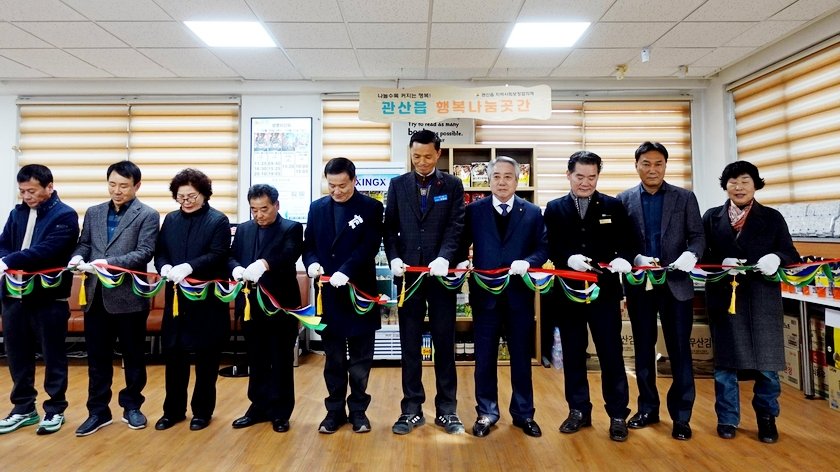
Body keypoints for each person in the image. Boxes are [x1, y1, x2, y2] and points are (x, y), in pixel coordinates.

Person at [701, 161, 798, 443]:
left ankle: (767, 418)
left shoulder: (772, 217)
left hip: (762, 297)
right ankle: (727, 418)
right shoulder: (711, 217)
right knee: (725, 365)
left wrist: (776, 258)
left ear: (756, 185)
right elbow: (700, 255)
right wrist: (720, 261)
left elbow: (790, 252)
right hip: (725, 298)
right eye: (733, 181)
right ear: (725, 186)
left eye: (745, 181)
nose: (739, 187)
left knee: (767, 365)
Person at [543, 151, 637, 442]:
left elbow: (628, 242)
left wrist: (623, 259)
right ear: (568, 175)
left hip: (604, 293)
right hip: (568, 293)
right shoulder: (554, 208)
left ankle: (618, 414)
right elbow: (549, 246)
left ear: (598, 176)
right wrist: (567, 258)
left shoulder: (613, 205)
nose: (585, 182)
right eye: (580, 176)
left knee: (611, 354)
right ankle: (578, 411)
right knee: (573, 354)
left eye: (592, 177)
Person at [616, 142, 705, 440]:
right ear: (636, 165)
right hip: (640, 285)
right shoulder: (624, 199)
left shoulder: (684, 197)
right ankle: (647, 408)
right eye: (646, 163)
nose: (652, 169)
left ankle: (681, 416)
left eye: (658, 163)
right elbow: (619, 243)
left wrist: (691, 254)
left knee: (680, 350)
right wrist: (634, 258)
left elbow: (698, 236)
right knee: (643, 349)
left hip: (676, 284)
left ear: (666, 165)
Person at [384, 129, 466, 435]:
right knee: (410, 344)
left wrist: (445, 257)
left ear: (438, 154)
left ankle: (447, 410)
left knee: (444, 342)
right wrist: (393, 258)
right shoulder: (398, 185)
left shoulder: (452, 185)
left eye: (428, 156)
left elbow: (456, 225)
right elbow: (389, 228)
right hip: (408, 277)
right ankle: (411, 409)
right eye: (416, 156)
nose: (421, 161)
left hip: (441, 276)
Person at [459, 156, 548, 438]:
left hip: (519, 297)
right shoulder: (474, 211)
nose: (501, 182)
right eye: (496, 176)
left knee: (521, 357)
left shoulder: (532, 212)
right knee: (484, 358)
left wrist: (529, 262)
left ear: (518, 179)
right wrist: (459, 261)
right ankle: (486, 412)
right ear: (488, 179)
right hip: (484, 297)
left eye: (508, 176)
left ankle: (524, 414)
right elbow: (460, 244)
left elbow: (543, 248)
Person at [69, 161, 159, 436]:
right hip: (95, 296)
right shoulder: (94, 212)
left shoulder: (148, 215)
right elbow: (85, 243)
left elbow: (144, 252)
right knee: (97, 359)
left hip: (129, 298)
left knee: (133, 357)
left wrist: (108, 263)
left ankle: (132, 406)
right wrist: (77, 257)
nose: (117, 191)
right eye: (112, 184)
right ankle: (98, 411)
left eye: (124, 186)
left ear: (137, 186)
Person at [303, 157, 383, 434]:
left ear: (354, 180)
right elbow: (309, 244)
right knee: (333, 358)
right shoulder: (317, 208)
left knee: (361, 360)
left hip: (359, 293)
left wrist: (346, 271)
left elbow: (369, 246)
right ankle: (334, 411)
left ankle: (358, 411)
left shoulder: (371, 207)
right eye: (331, 185)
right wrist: (311, 263)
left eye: (342, 185)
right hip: (329, 296)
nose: (336, 191)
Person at [0, 164, 79, 435]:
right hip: (14, 295)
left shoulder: (65, 215)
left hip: (48, 297)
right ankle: (23, 408)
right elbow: (3, 243)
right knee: (17, 354)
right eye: (22, 191)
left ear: (49, 187)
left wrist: (8, 261)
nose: (27, 196)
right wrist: (4, 258)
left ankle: (55, 409)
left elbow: (47, 251)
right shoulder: (17, 212)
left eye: (32, 191)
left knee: (53, 355)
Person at [154, 168, 231, 432]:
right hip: (177, 299)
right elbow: (161, 251)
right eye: (181, 197)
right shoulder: (171, 219)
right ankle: (173, 411)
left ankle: (202, 411)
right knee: (174, 356)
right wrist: (164, 266)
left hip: (207, 300)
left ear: (204, 194)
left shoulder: (218, 220)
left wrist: (189, 267)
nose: (186, 201)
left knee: (206, 358)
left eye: (191, 196)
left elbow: (218, 254)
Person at [229, 184, 303, 433]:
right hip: (250, 306)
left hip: (280, 306)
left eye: (264, 209)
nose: (259, 215)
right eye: (254, 210)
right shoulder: (244, 229)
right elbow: (232, 255)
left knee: (281, 359)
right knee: (256, 358)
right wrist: (235, 268)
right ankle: (258, 407)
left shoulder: (291, 228)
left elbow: (289, 255)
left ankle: (281, 412)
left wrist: (264, 264)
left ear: (276, 205)